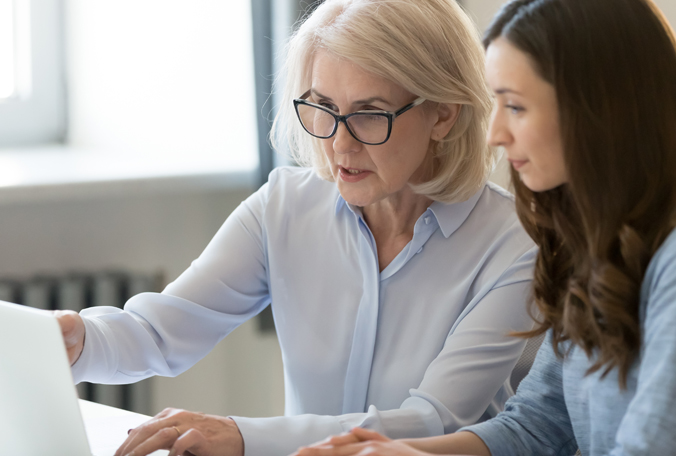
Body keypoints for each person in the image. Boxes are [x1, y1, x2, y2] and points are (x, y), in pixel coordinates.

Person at [56, 1, 537, 455]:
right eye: (323, 107)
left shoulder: (514, 247)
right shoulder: (284, 206)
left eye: (369, 114)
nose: (340, 144)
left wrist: (241, 437)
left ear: (443, 114)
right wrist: (79, 338)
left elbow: (431, 422)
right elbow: (160, 332)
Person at [294, 0, 676, 455]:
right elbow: (536, 425)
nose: (495, 133)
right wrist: (403, 453)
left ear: (601, 110)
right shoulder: (593, 247)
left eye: (515, 106)